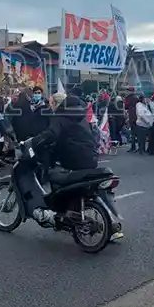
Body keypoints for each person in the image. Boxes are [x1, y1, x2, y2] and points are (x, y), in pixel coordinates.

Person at [27, 93, 100, 225]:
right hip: (91, 156)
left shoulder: (60, 117)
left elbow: (51, 134)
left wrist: (35, 141)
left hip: (72, 158)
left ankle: (58, 210)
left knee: (53, 174)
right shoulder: (82, 117)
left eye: (51, 103)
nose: (50, 106)